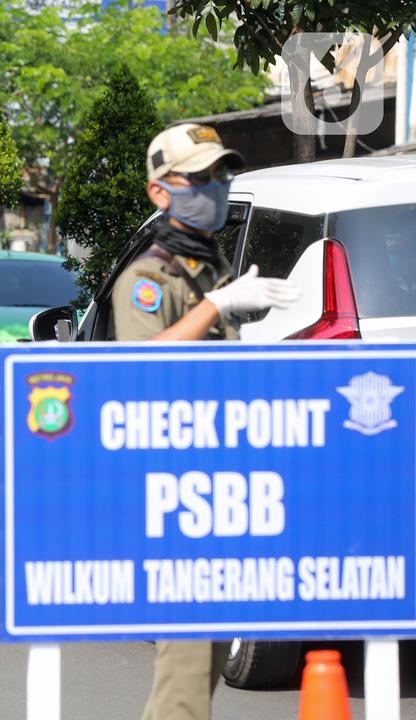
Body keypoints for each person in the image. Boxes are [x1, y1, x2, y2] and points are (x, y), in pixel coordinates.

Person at [122, 124, 300, 720]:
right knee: (189, 668)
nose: (215, 187)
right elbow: (140, 366)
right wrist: (217, 307)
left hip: (216, 484)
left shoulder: (208, 267)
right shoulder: (150, 278)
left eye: (221, 175)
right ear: (160, 192)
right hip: (176, 489)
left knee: (209, 655)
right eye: (199, 177)